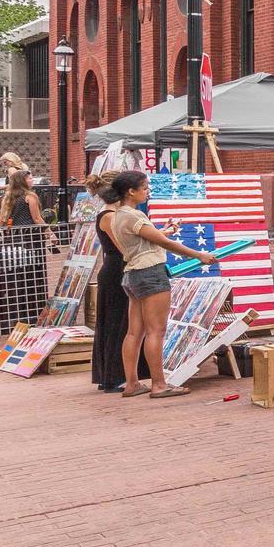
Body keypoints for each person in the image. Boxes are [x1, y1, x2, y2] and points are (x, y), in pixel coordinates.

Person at [98, 171, 215, 399]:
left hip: (131, 273)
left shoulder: (118, 215)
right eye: (144, 188)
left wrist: (169, 230)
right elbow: (162, 242)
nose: (147, 192)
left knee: (134, 332)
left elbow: (149, 237)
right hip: (150, 273)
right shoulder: (134, 215)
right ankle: (159, 384)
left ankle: (132, 383)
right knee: (156, 331)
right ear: (131, 191)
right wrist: (198, 255)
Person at [89, 176, 138, 392]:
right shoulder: (109, 216)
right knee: (116, 323)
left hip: (114, 267)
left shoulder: (108, 214)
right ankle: (112, 376)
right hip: (115, 269)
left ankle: (109, 375)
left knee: (116, 322)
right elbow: (123, 245)